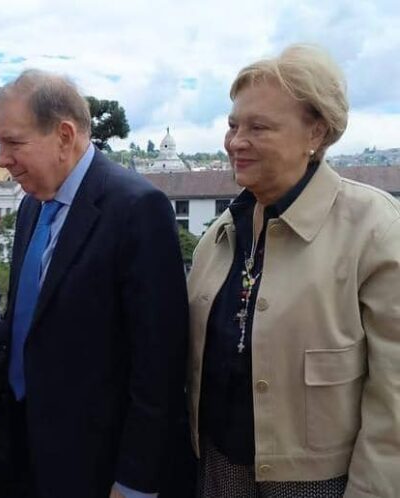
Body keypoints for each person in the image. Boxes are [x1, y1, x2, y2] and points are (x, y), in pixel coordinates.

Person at [0, 69, 190, 498]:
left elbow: (159, 366)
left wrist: (136, 482)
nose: (1, 158)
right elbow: (18, 326)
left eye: (13, 142)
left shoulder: (138, 209)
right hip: (26, 452)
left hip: (99, 466)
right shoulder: (33, 205)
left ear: (64, 135)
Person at [187, 44, 400, 497]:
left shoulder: (375, 229)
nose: (236, 141)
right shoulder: (222, 233)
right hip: (217, 470)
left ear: (316, 134)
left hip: (317, 484)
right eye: (233, 125)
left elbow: (394, 398)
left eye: (258, 127)